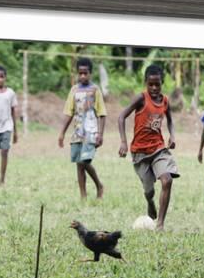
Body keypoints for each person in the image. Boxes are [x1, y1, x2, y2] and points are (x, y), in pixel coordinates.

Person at [118, 64, 179, 231]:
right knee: (149, 191)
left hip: (158, 149)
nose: (154, 88)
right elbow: (121, 116)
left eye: (157, 84)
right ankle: (150, 201)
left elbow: (170, 120)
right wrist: (123, 142)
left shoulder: (165, 101)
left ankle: (160, 224)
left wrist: (172, 135)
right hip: (139, 152)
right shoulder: (141, 99)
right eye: (150, 84)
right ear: (146, 83)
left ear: (162, 83)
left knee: (167, 180)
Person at [58, 57, 107, 199]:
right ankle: (83, 196)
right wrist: (62, 133)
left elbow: (101, 113)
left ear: (90, 73)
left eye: (85, 73)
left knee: (84, 161)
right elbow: (69, 112)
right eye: (80, 73)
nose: (83, 76)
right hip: (77, 130)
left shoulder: (95, 90)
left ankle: (99, 185)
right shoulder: (74, 90)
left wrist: (100, 134)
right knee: (78, 164)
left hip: (91, 132)